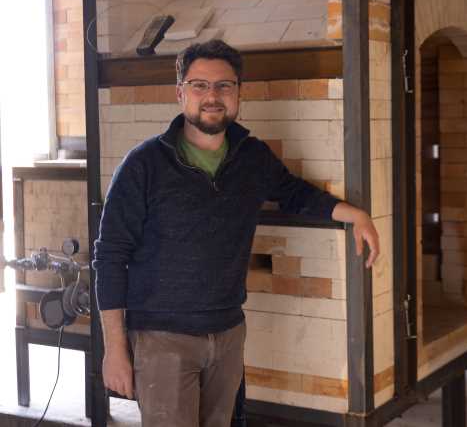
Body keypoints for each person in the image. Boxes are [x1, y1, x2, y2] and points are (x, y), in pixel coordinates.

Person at [93, 39, 379, 427]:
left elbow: (293, 192)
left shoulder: (252, 157)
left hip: (228, 334)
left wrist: (355, 215)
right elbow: (110, 257)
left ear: (238, 94)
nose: (212, 96)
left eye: (224, 86)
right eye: (199, 85)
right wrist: (115, 349)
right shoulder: (144, 165)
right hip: (162, 338)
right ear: (180, 93)